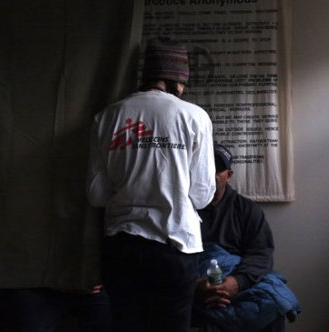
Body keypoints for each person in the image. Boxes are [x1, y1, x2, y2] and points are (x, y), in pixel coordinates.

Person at [86, 36, 216, 331]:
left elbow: (96, 195)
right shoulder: (195, 117)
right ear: (177, 81)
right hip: (175, 248)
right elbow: (202, 194)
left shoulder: (107, 117)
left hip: (122, 249)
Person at [194, 144, 287, 332]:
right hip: (196, 282)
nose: (210, 174)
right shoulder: (182, 209)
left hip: (237, 280)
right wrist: (195, 286)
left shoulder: (246, 210)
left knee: (274, 305)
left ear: (229, 175)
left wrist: (237, 282)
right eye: (205, 168)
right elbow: (169, 256)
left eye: (217, 169)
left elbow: (261, 254)